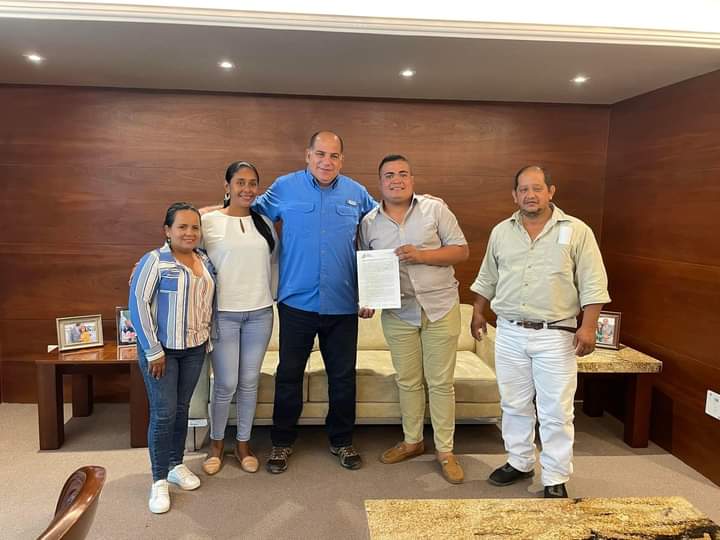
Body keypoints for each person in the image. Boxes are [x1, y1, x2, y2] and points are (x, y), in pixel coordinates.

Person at [470, 165, 610, 499]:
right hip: (509, 331)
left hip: (555, 334)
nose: (530, 195)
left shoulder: (576, 230)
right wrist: (477, 311)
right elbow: (488, 276)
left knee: (556, 410)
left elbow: (593, 281)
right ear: (514, 195)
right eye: (523, 189)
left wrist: (589, 326)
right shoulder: (502, 232)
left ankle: (555, 476)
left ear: (550, 191)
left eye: (537, 188)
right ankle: (519, 462)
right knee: (514, 404)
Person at [253, 131, 376, 473]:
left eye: (334, 155)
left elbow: (380, 234)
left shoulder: (357, 193)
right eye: (320, 154)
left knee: (343, 378)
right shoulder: (285, 187)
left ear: (342, 160)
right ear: (308, 155)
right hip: (296, 302)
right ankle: (281, 442)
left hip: (343, 303)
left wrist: (372, 292)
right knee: (288, 375)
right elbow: (246, 212)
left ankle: (342, 440)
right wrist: (205, 217)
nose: (326, 161)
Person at [359, 154, 469, 484]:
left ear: (412, 179)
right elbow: (367, 267)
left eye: (403, 174)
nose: (397, 180)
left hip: (440, 307)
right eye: (389, 175)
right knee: (407, 380)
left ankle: (445, 451)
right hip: (398, 313)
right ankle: (412, 441)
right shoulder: (369, 222)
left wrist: (421, 255)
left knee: (440, 383)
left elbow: (461, 250)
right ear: (380, 182)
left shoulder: (435, 209)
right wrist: (368, 300)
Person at [129, 202, 217, 514]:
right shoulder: (154, 261)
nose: (189, 232)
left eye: (195, 227)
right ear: (167, 230)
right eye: (182, 226)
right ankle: (158, 480)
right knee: (164, 414)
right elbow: (138, 305)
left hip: (194, 349)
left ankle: (176, 465)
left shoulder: (204, 260)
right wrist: (153, 350)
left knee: (182, 410)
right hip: (161, 353)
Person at [200, 161, 278, 476]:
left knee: (248, 382)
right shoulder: (208, 221)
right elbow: (184, 253)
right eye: (240, 182)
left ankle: (243, 445)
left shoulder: (264, 223)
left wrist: (272, 297)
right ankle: (217, 445)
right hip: (223, 315)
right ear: (227, 186)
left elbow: (274, 264)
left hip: (260, 313)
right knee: (226, 383)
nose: (247, 189)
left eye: (252, 183)